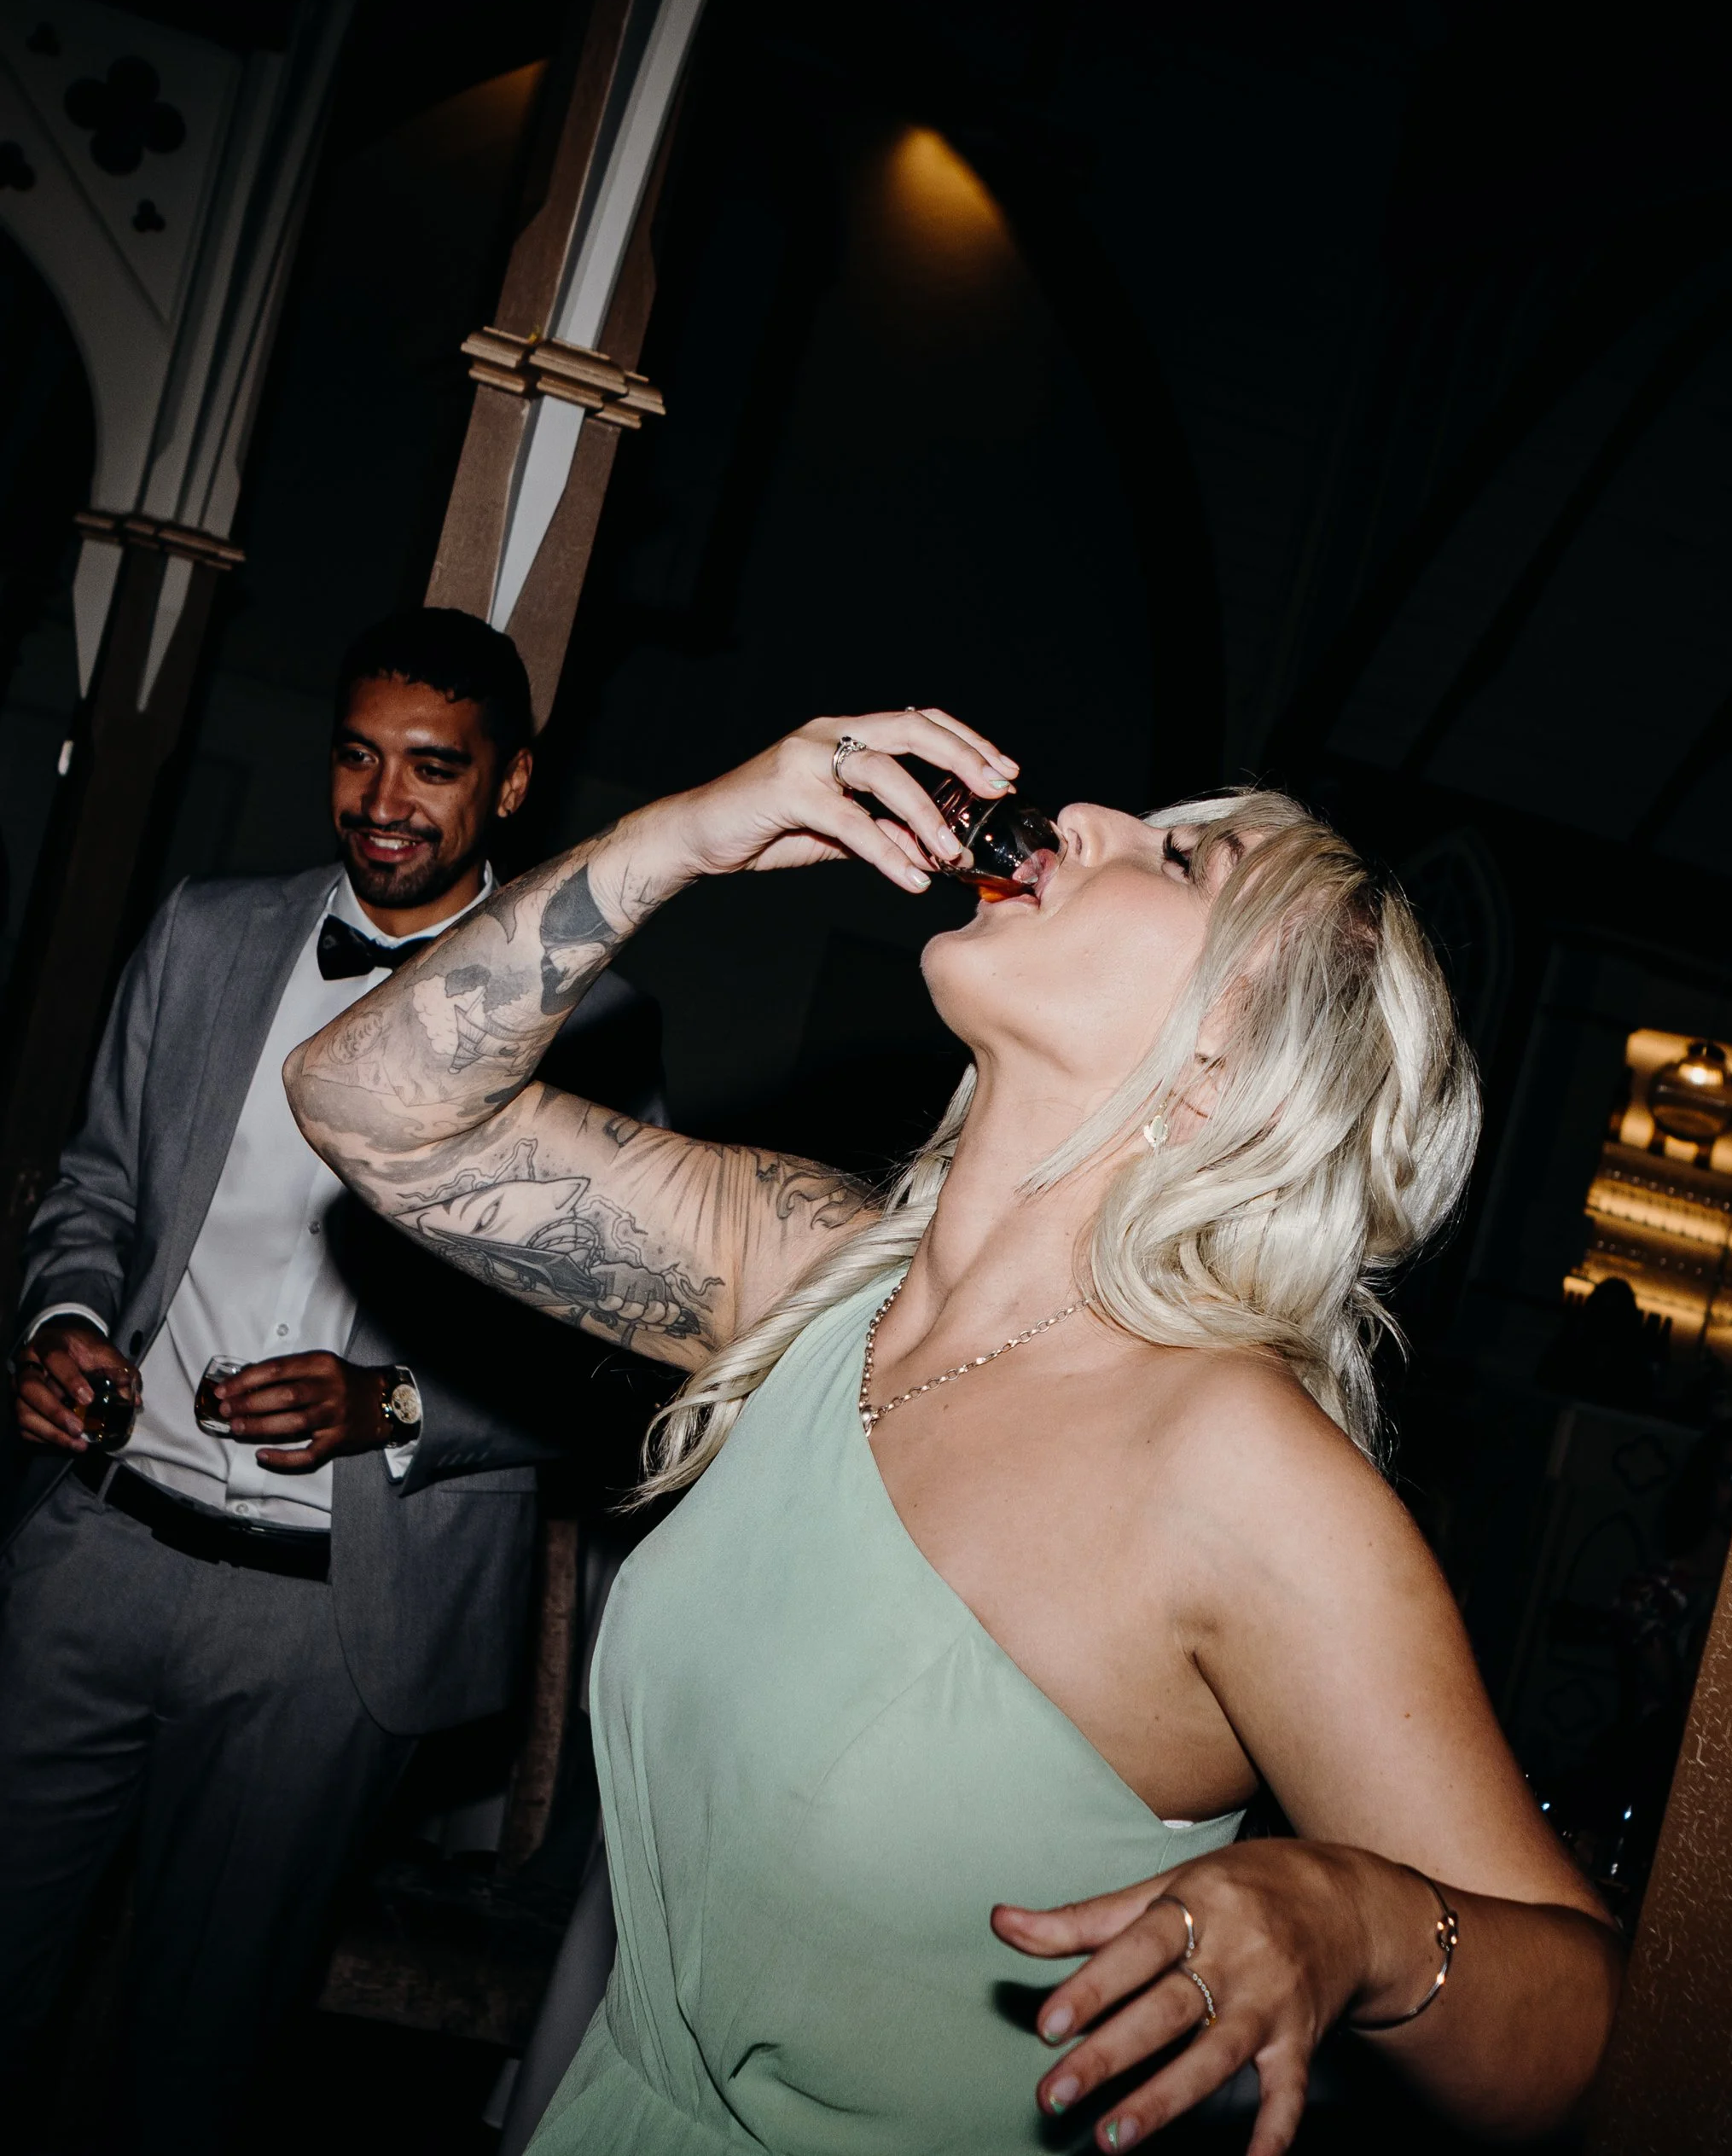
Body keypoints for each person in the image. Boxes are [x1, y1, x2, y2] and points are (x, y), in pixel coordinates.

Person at [287, 709, 1623, 2155]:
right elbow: (367, 1107)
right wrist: (682, 837)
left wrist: (1348, 1916)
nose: (1095, 813)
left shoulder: (1231, 1466)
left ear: (1225, 1073)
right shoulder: (816, 1279)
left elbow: (1590, 2031)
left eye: (1181, 860)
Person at [0, 607, 665, 2152]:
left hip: (323, 1624)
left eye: (434, 769)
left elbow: (601, 1356)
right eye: (359, 757)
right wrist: (60, 1323)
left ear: (507, 790)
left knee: (192, 2051)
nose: (384, 801)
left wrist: (397, 1410)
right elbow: (96, 1190)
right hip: (90, 1553)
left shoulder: (590, 1025)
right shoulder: (208, 930)